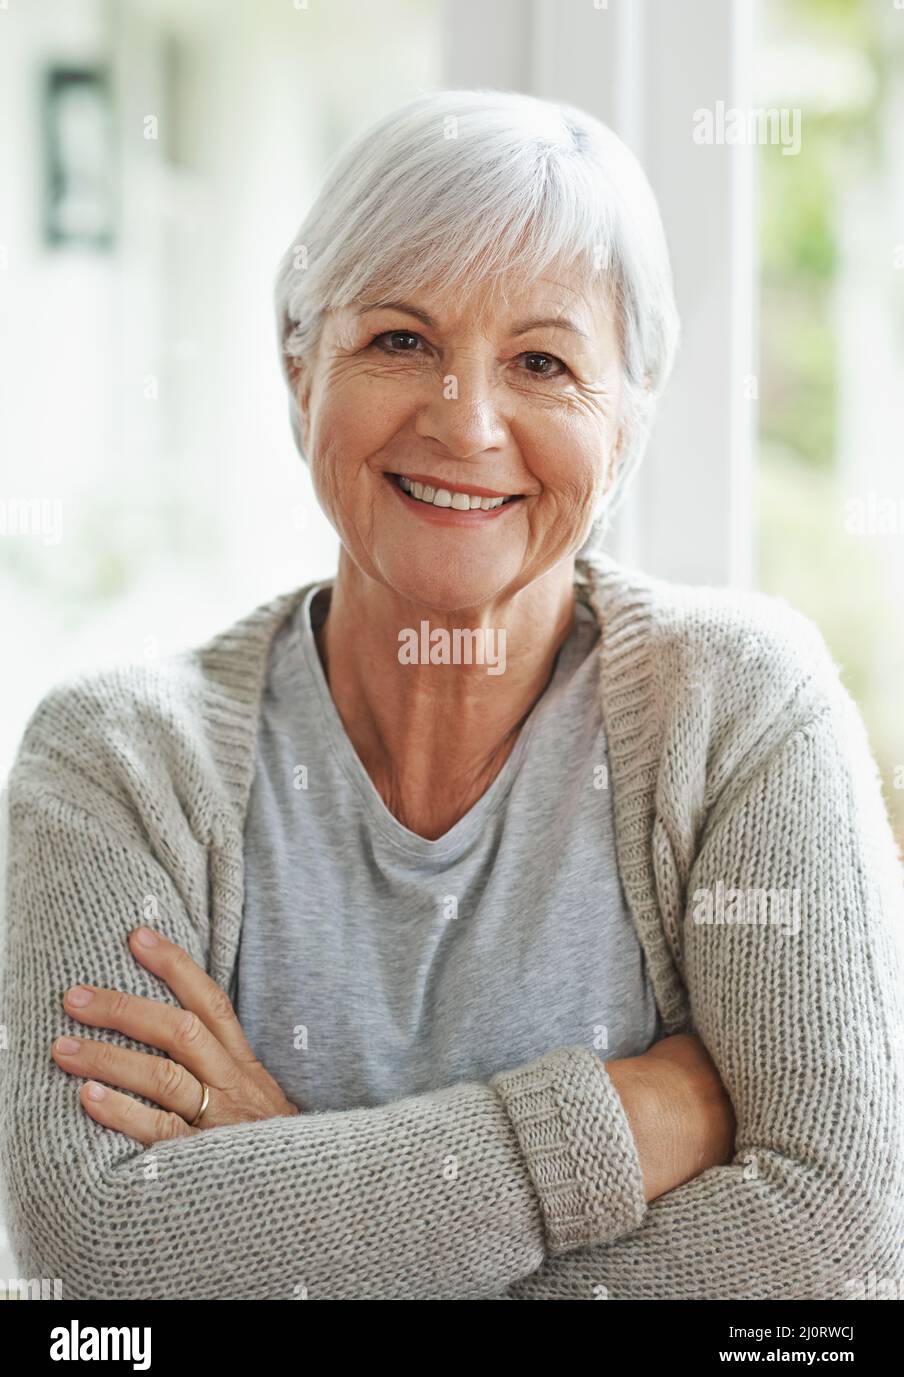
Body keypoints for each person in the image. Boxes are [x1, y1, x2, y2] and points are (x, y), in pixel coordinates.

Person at [1, 89, 902, 1301]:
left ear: (627, 420)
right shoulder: (113, 760)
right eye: (399, 341)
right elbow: (100, 1259)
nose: (464, 421)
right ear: (297, 362)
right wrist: (623, 1121)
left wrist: (277, 1196)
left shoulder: (740, 712)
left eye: (542, 361)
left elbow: (832, 1250)